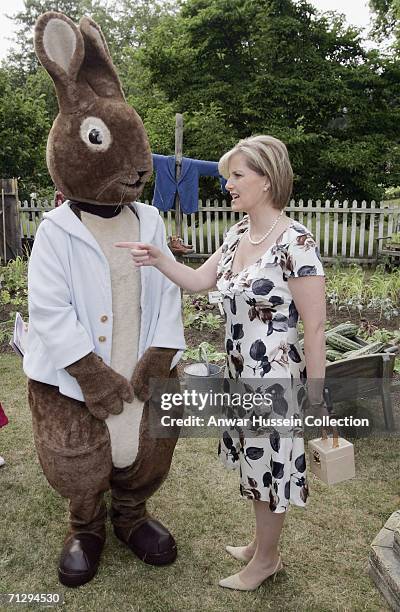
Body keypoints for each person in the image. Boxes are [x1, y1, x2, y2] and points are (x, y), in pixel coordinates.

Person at [116, 135, 326, 591]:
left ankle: (266, 560)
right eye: (228, 175)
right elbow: (196, 281)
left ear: (266, 181)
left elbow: (314, 328)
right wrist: (157, 258)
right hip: (240, 378)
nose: (227, 184)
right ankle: (260, 545)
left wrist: (315, 393)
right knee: (255, 463)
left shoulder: (297, 242)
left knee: (270, 468)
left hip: (275, 383)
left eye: (237, 176)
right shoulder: (237, 236)